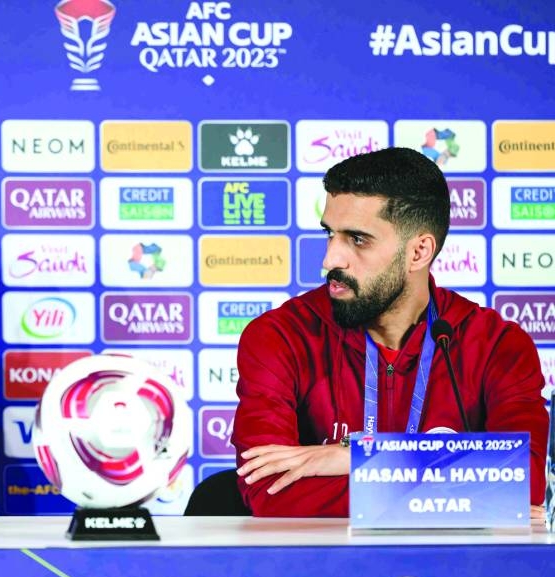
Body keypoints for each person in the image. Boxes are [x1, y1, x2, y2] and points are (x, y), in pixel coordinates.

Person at [232, 147, 549, 517]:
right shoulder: (280, 336)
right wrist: (464, 492)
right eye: (330, 234)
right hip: (323, 556)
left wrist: (355, 458)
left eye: (358, 239)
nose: (330, 259)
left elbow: (524, 482)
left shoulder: (498, 346)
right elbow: (269, 488)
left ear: (419, 252)